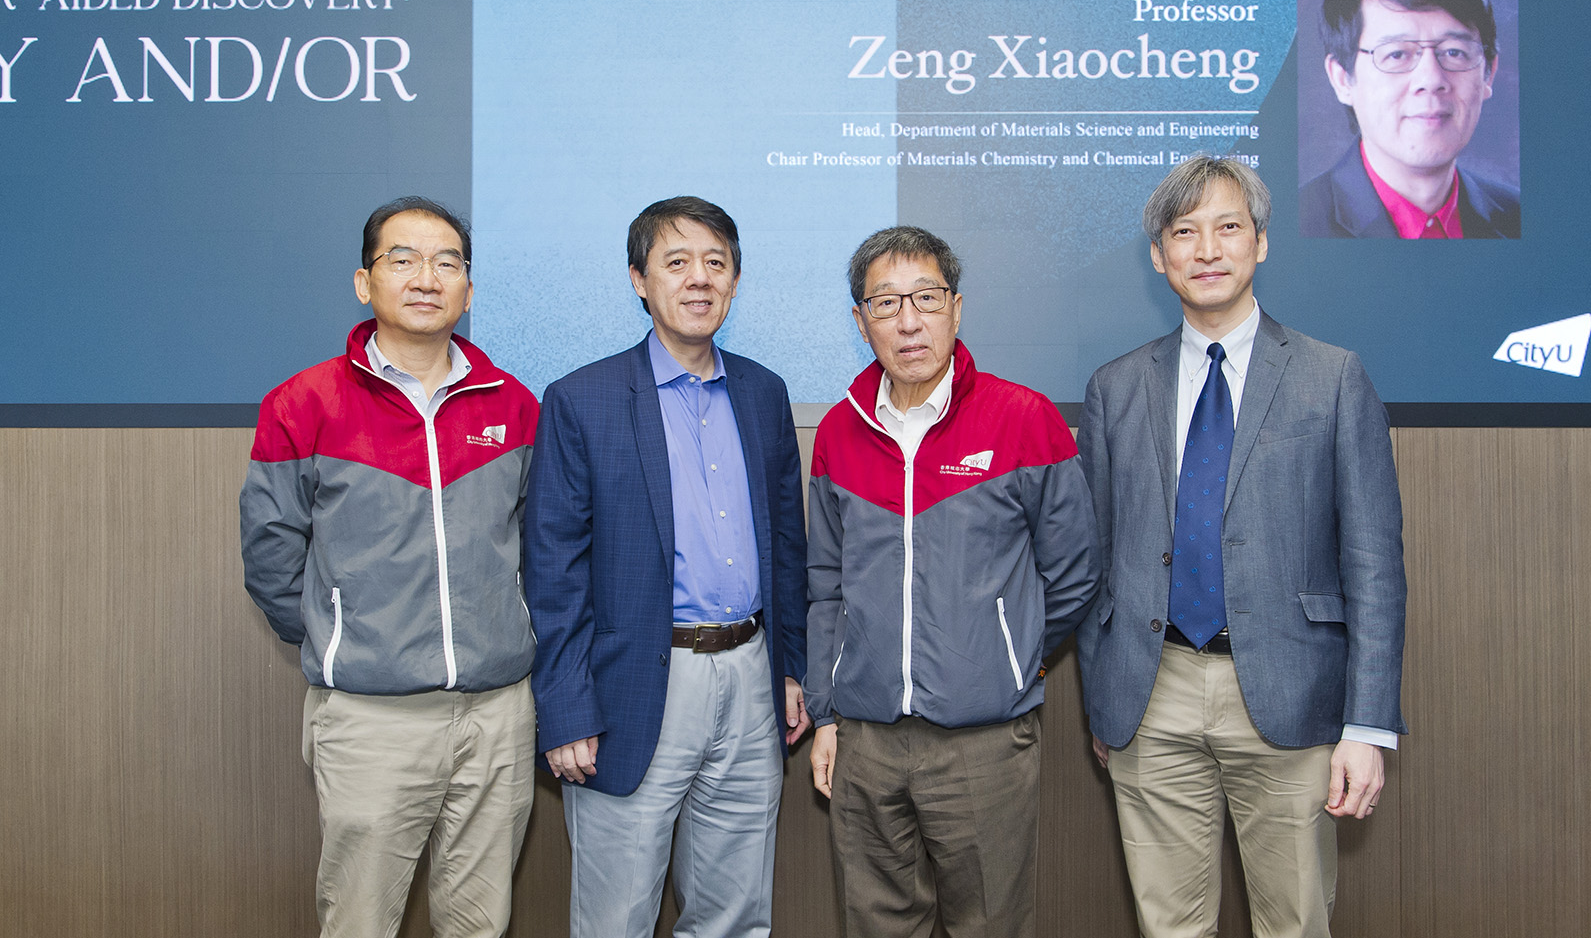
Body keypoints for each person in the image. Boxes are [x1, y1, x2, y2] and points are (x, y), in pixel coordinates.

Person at [1077, 155, 1407, 938]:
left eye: (1228, 227)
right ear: (1158, 256)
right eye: (1184, 232)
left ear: (1261, 242)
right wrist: (1106, 689)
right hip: (1150, 699)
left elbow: (1374, 565)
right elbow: (1092, 557)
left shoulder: (1332, 378)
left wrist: (1367, 726)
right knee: (1170, 924)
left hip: (1292, 696)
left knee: (1294, 921)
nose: (1207, 248)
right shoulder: (1116, 387)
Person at [240, 196, 541, 938]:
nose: (426, 277)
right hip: (372, 718)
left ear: (468, 289)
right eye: (401, 259)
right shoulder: (303, 404)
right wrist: (341, 635)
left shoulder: (516, 405)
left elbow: (542, 546)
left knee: (480, 922)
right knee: (360, 921)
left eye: (447, 262)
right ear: (363, 281)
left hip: (498, 713)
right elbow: (271, 558)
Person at [805, 226, 1101, 938]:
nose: (909, 320)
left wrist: (1006, 654)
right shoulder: (839, 433)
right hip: (866, 739)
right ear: (860, 321)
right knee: (876, 923)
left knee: (990, 924)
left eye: (926, 298)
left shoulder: (1024, 419)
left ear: (957, 308)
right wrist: (824, 712)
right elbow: (825, 584)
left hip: (984, 741)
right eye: (885, 302)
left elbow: (1074, 573)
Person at [526, 196, 809, 938]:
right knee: (617, 918)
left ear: (736, 281)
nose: (699, 279)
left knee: (735, 916)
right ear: (638, 280)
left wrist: (789, 669)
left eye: (716, 262)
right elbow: (552, 571)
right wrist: (565, 707)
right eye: (677, 262)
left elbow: (787, 546)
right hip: (632, 686)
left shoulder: (763, 392)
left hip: (749, 675)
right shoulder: (579, 400)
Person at [1302, 0, 1519, 238]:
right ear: (1342, 79)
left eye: (1454, 52)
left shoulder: (1518, 217)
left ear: (1488, 73)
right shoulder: (1296, 224)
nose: (1430, 79)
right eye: (1396, 55)